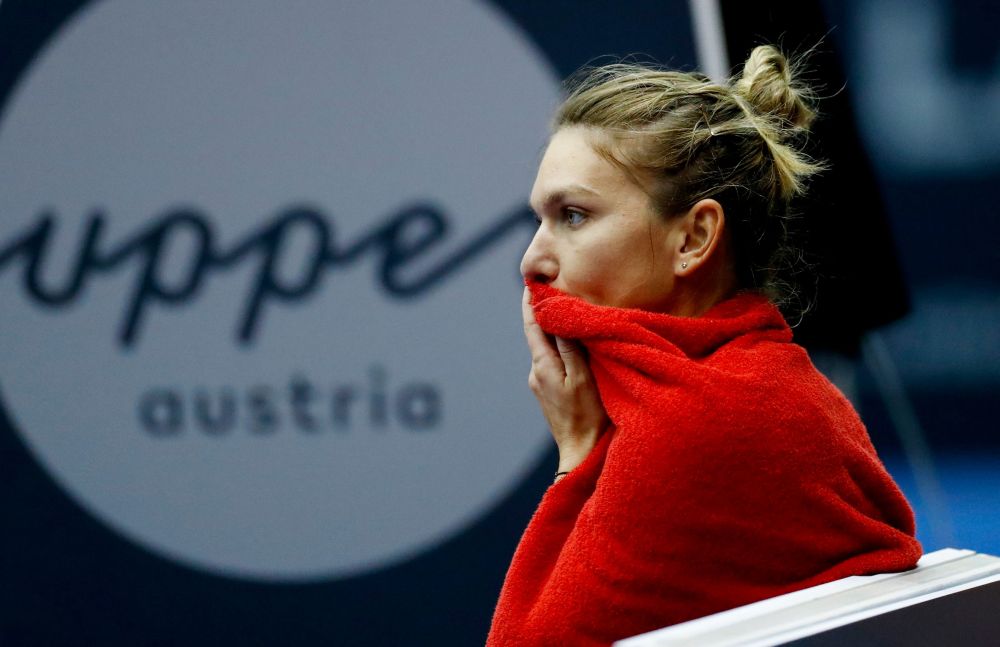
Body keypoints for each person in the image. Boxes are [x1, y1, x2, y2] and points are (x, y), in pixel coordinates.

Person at [486, 45, 921, 646]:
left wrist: (577, 456)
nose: (532, 260)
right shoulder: (781, 388)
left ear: (693, 238)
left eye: (574, 216)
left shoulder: (692, 426)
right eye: (539, 220)